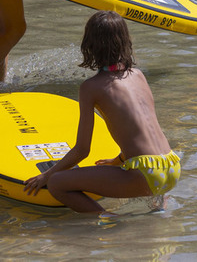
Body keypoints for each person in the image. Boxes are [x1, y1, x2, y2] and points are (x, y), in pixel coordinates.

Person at [23, 11, 181, 216]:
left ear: (89, 45)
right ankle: (156, 215)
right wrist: (117, 161)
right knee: (152, 186)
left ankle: (111, 222)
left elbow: (82, 151)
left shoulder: (92, 87)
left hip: (144, 174)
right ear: (126, 41)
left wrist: (47, 175)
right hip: (171, 165)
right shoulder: (138, 75)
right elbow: (141, 130)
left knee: (57, 183)